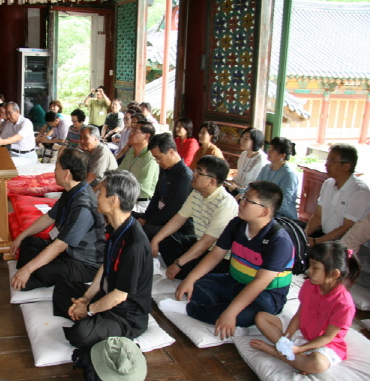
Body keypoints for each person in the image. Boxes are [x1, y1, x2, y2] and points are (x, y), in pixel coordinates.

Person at [175, 181, 294, 337]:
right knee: (196, 283)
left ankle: (199, 309)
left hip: (266, 295)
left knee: (234, 316)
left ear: (264, 212)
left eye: (248, 200)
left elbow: (260, 282)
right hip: (234, 282)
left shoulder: (279, 241)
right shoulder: (237, 224)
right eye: (243, 197)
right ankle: (225, 306)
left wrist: (230, 313)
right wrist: (190, 279)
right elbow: (216, 254)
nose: (240, 202)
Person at [53, 170, 153, 348]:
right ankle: (87, 316)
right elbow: (104, 267)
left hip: (126, 314)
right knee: (61, 288)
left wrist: (89, 309)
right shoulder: (117, 227)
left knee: (80, 335)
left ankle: (88, 319)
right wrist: (85, 298)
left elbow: (119, 296)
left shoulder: (135, 244)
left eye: (102, 193)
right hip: (107, 294)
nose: (97, 196)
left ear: (113, 201)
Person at [251, 241, 360, 375]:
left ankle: (278, 353)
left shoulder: (344, 304)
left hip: (323, 343)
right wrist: (286, 338)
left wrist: (299, 349)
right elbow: (299, 314)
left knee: (317, 364)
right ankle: (293, 357)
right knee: (261, 317)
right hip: (303, 331)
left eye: (315, 268)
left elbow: (327, 337)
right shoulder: (310, 284)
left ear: (334, 274)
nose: (309, 270)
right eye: (310, 265)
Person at [10, 148, 106, 291]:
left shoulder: (83, 206)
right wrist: (21, 236)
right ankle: (31, 274)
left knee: (42, 270)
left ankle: (29, 276)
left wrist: (28, 269)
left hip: (83, 263)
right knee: (28, 241)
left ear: (66, 173)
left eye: (56, 168)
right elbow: (49, 218)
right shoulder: (72, 191)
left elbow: (60, 245)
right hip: (66, 251)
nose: (54, 171)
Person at [151, 156, 238, 280]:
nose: (194, 174)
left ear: (212, 182)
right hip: (199, 240)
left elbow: (207, 243)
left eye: (199, 172)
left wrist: (178, 263)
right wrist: (156, 240)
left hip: (218, 255)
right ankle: (181, 266)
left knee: (186, 269)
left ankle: (182, 269)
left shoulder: (225, 205)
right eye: (195, 170)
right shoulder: (197, 192)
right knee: (167, 240)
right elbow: (179, 218)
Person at [304, 144, 370, 248]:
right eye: (327, 160)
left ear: (346, 166)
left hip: (344, 243)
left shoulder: (359, 191)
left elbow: (346, 228)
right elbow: (318, 216)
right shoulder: (328, 183)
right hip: (325, 236)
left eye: (332, 161)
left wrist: (316, 242)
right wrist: (304, 236)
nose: (326, 165)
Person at [134, 133, 193, 240]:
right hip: (160, 216)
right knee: (129, 217)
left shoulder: (184, 176)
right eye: (155, 159)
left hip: (176, 224)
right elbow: (156, 196)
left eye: (159, 158)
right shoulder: (165, 168)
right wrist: (145, 217)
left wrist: (149, 222)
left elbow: (172, 209)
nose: (157, 162)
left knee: (139, 231)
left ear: (171, 152)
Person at [116, 121, 159, 212]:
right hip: (127, 198)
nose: (130, 133)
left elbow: (143, 188)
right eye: (131, 130)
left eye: (135, 131)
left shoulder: (150, 156)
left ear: (147, 136)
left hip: (141, 203)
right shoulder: (131, 152)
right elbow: (117, 174)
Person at [256, 137, 299, 220]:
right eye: (269, 148)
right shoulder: (266, 168)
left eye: (273, 150)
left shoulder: (289, 175)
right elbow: (255, 186)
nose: (269, 151)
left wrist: (262, 208)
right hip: (264, 210)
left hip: (282, 216)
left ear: (282, 155)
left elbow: (283, 204)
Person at [225, 127, 268, 196]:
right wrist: (232, 182)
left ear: (255, 141)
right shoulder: (243, 154)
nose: (241, 141)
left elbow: (256, 186)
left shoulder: (262, 160)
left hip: (250, 194)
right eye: (242, 138)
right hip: (237, 189)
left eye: (246, 139)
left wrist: (237, 187)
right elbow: (239, 176)